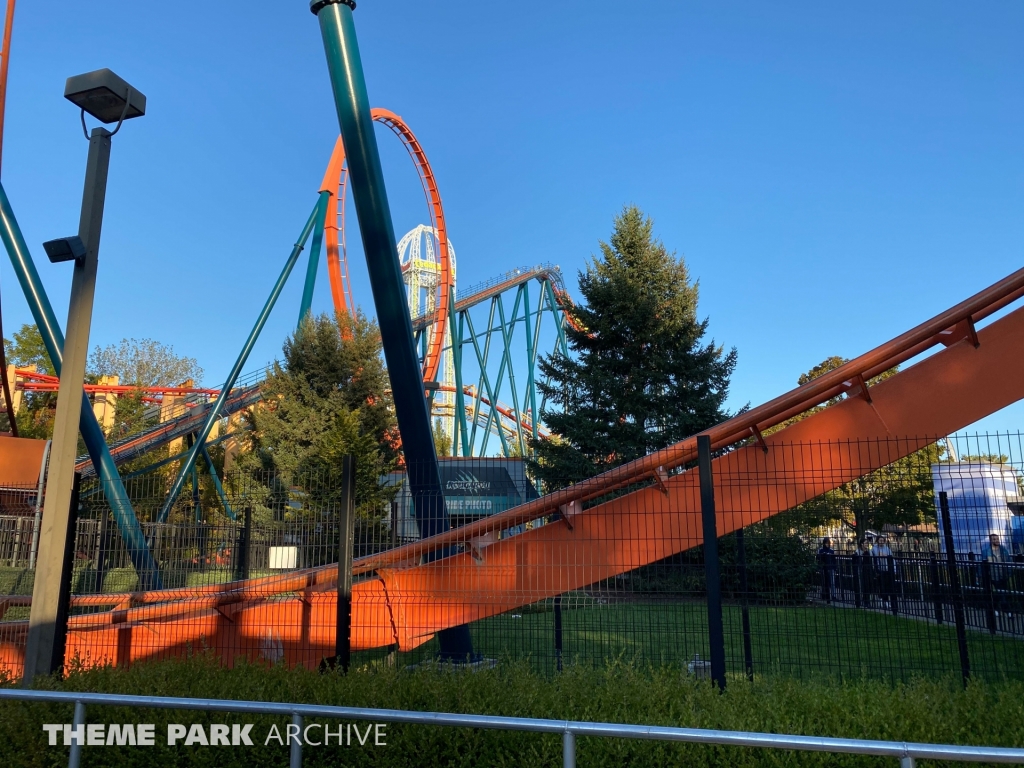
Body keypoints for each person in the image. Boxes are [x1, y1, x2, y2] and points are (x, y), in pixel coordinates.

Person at [981, 533, 1012, 617]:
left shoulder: (1003, 550)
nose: (997, 540)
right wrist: (981, 575)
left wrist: (1009, 573)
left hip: (1003, 575)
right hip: (993, 576)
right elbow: (982, 565)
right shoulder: (986, 552)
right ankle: (1008, 611)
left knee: (1000, 593)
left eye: (997, 539)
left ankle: (994, 607)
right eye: (994, 539)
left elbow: (1008, 562)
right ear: (990, 541)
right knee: (1002, 593)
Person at [872, 534, 896, 612]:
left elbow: (891, 557)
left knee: (887, 586)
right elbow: (876, 555)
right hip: (880, 569)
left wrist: (894, 569)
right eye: (880, 540)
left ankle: (887, 601)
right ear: (877, 541)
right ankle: (883, 600)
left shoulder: (887, 548)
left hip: (887, 569)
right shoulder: (874, 548)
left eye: (883, 541)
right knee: (881, 586)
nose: (881, 542)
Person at [817, 538, 836, 603]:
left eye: (828, 543)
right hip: (824, 568)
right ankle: (824, 594)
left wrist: (834, 567)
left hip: (830, 568)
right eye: (826, 543)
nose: (828, 544)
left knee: (832, 582)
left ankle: (833, 595)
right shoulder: (821, 550)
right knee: (824, 582)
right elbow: (818, 559)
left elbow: (834, 560)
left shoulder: (831, 551)